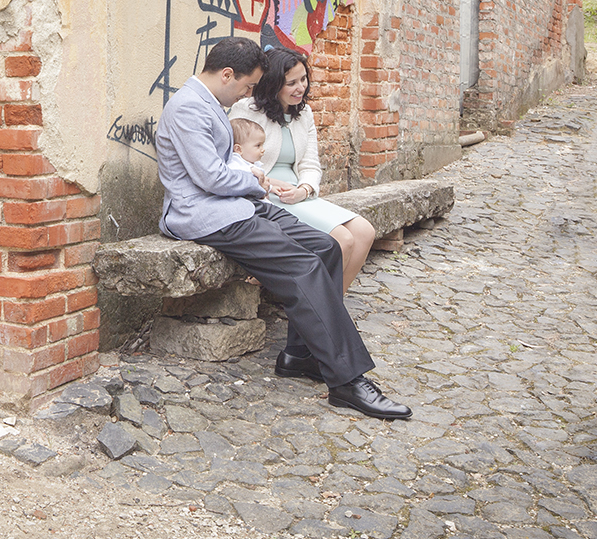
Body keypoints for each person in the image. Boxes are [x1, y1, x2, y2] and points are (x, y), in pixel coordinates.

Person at [155, 35, 410, 421]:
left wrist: (252, 185)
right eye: (247, 85)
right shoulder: (188, 108)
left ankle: (298, 355)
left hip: (238, 206)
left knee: (325, 247)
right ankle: (347, 381)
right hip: (208, 215)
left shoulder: (208, 104)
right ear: (227, 74)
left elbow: (224, 171)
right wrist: (256, 181)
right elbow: (210, 177)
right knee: (302, 266)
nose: (249, 92)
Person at [231, 49, 377, 292]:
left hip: (299, 195)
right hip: (267, 196)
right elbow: (233, 161)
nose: (300, 88)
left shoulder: (304, 113)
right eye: (291, 83)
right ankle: (318, 313)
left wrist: (305, 189)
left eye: (303, 79)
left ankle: (331, 307)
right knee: (342, 240)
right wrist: (271, 182)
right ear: (274, 84)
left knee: (364, 231)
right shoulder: (247, 110)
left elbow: (310, 163)